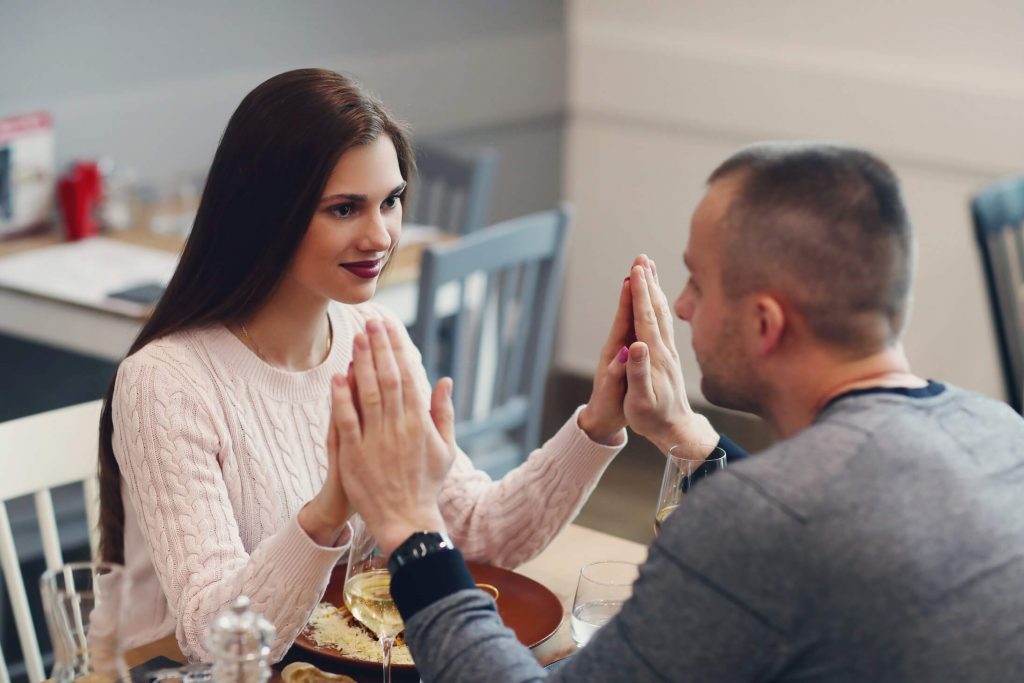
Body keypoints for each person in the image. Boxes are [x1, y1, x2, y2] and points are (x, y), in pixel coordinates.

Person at [334, 143, 1024, 682]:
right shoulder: (1000, 431)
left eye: (697, 279)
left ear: (764, 322)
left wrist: (412, 528)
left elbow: (783, 526)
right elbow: (829, 531)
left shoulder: (755, 523)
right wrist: (683, 432)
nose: (684, 305)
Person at [97, 68, 642, 661]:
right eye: (344, 209)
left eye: (392, 201)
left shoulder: (370, 334)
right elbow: (210, 637)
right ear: (266, 214)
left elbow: (478, 531)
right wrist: (332, 505)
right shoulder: (165, 382)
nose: (380, 235)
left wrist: (598, 422)